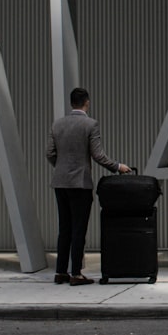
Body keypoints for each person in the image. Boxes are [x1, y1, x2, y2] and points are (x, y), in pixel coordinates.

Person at [46, 87, 130, 286]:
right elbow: (98, 155)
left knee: (64, 228)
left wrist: (62, 168)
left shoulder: (57, 124)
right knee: (78, 229)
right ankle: (76, 273)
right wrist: (118, 167)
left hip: (60, 182)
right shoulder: (90, 124)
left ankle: (60, 272)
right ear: (87, 102)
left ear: (71, 103)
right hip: (80, 184)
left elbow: (50, 153)